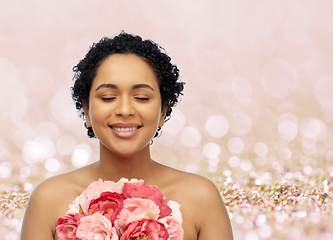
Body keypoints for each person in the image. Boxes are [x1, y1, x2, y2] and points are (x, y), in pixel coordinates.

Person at [21, 32, 233, 240]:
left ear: (163, 111)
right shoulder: (47, 200)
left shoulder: (201, 198)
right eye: (108, 97)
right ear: (86, 109)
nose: (124, 109)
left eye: (141, 97)